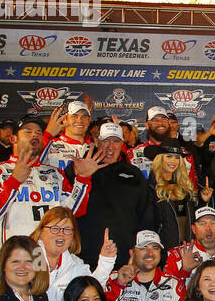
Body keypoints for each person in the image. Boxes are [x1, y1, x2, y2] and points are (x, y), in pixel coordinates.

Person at [0, 206, 117, 301]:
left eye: (67, 229)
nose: (61, 234)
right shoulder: (25, 255)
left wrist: (106, 260)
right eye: (55, 228)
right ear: (42, 231)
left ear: (73, 236)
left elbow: (91, 291)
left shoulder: (75, 265)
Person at [0, 117, 101, 255]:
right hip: (15, 260)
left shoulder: (55, 173)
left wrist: (82, 179)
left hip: (51, 258)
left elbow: (74, 212)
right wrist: (14, 181)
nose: (34, 135)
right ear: (13, 139)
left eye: (39, 132)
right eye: (28, 131)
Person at [68, 122, 156, 268]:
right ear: (96, 142)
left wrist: (142, 249)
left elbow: (146, 215)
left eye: (115, 141)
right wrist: (80, 175)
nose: (110, 146)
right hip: (85, 255)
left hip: (123, 255)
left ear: (123, 144)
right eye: (105, 141)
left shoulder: (133, 173)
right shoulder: (78, 167)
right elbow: (67, 207)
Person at [147, 138, 197, 248]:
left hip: (187, 248)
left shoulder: (184, 186)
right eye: (169, 156)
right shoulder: (150, 188)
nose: (173, 161)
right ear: (160, 158)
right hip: (164, 250)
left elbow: (191, 219)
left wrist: (203, 200)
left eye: (177, 157)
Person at [132, 106, 197, 182]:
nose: (160, 123)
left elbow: (192, 188)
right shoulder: (133, 154)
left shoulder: (185, 155)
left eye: (164, 119)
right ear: (146, 125)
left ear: (168, 123)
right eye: (154, 120)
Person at [40, 100, 94, 170]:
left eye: (84, 116)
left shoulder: (95, 147)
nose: (79, 120)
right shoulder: (50, 145)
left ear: (89, 120)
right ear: (64, 120)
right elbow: (31, 161)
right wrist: (47, 135)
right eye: (74, 116)